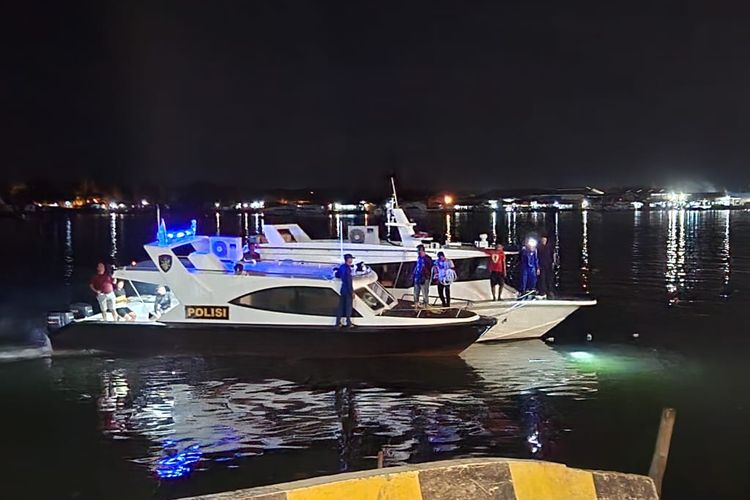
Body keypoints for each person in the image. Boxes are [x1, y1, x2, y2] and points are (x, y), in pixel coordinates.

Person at [334, 253, 355, 327]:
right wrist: (352, 292)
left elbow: (337, 275)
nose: (352, 260)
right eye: (351, 258)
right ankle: (348, 323)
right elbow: (349, 281)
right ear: (348, 259)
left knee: (341, 306)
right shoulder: (348, 269)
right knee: (348, 307)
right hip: (347, 290)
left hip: (343, 289)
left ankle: (337, 322)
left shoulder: (342, 267)